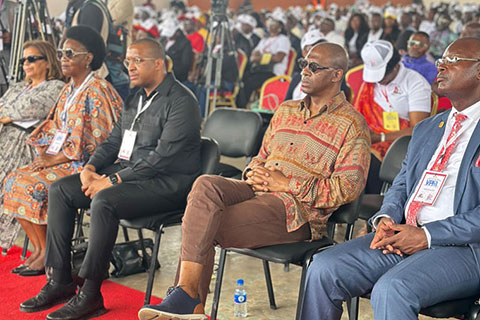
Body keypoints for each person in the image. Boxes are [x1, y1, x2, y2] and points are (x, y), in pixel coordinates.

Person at [137, 42, 371, 320]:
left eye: (313, 67)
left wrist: (286, 185)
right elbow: (261, 157)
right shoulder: (286, 110)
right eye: (302, 65)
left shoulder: (352, 125)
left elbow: (347, 188)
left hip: (296, 211)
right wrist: (253, 173)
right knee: (205, 185)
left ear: (336, 75)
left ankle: (188, 299)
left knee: (201, 222)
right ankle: (188, 298)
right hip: (255, 190)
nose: (304, 72)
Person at [19, 38, 201, 320]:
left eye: (137, 61)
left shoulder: (181, 101)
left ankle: (91, 294)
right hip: (132, 176)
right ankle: (60, 280)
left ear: (158, 64)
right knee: (61, 190)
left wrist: (113, 180)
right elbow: (114, 139)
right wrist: (90, 168)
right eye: (128, 61)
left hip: (167, 184)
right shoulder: (137, 97)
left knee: (105, 200)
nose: (130, 66)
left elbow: (163, 158)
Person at [300, 37, 480, 320]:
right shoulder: (429, 128)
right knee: (324, 267)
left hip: (464, 248)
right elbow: (402, 184)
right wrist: (384, 219)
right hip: (405, 233)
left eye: (452, 60)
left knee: (392, 288)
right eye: (441, 60)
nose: (440, 66)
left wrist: (426, 236)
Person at [3, 26, 122, 276]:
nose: (63, 58)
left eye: (69, 53)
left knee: (32, 185)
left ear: (88, 58)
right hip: (63, 159)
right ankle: (38, 248)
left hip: (89, 166)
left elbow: (98, 141)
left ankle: (48, 253)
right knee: (12, 179)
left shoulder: (98, 89)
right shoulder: (69, 89)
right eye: (60, 52)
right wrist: (44, 152)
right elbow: (56, 125)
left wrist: (54, 159)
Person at [0, 40, 65, 252]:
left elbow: (27, 108)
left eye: (32, 58)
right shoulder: (18, 87)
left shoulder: (55, 87)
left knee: (12, 181)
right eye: (23, 59)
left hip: (29, 146)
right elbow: (7, 110)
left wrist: (8, 114)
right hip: (6, 140)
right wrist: (9, 115)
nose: (26, 63)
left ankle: (41, 249)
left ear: (47, 62)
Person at [354, 40, 431, 194]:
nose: (377, 81)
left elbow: (418, 129)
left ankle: (373, 201)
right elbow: (357, 116)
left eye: (381, 75)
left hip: (400, 143)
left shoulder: (415, 83)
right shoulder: (370, 84)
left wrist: (380, 137)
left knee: (362, 158)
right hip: (370, 139)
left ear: (396, 66)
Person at [236, 12, 291, 108]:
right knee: (242, 79)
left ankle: (241, 108)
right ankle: (239, 106)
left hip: (274, 74)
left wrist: (261, 57)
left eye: (273, 23)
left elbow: (278, 58)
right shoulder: (264, 40)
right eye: (269, 22)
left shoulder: (283, 40)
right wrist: (269, 56)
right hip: (261, 70)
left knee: (249, 82)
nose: (270, 24)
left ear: (280, 27)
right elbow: (253, 57)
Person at [161, 18, 193, 83]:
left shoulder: (185, 43)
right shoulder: (163, 40)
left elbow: (185, 65)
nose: (168, 36)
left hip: (177, 77)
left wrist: (168, 72)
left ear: (177, 32)